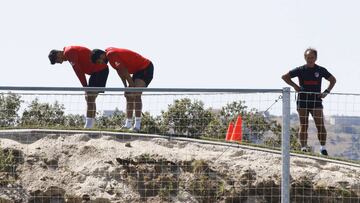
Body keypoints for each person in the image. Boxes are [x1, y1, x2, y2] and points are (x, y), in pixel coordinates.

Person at [282, 48, 336, 156]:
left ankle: (323, 148)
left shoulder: (321, 70)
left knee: (320, 125)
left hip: (316, 100)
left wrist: (326, 92)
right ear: (305, 58)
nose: (310, 59)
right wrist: (295, 86)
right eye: (308, 57)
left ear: (316, 58)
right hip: (303, 100)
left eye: (312, 57)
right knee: (304, 125)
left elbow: (333, 80)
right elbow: (285, 77)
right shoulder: (300, 69)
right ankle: (303, 148)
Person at [90, 47, 154, 132]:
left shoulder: (111, 54)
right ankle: (128, 124)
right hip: (137, 71)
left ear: (101, 55)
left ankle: (137, 126)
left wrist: (132, 87)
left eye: (99, 61)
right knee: (128, 95)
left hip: (146, 67)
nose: (101, 63)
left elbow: (124, 71)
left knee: (136, 94)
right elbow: (120, 72)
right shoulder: (111, 59)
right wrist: (126, 87)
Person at [48, 46, 109, 129]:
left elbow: (78, 71)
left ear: (59, 53)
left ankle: (89, 125)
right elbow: (79, 70)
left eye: (58, 60)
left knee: (90, 97)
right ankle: (90, 125)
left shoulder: (68, 52)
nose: (60, 62)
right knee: (89, 98)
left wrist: (85, 87)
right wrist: (85, 87)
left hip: (100, 70)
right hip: (96, 72)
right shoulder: (69, 52)